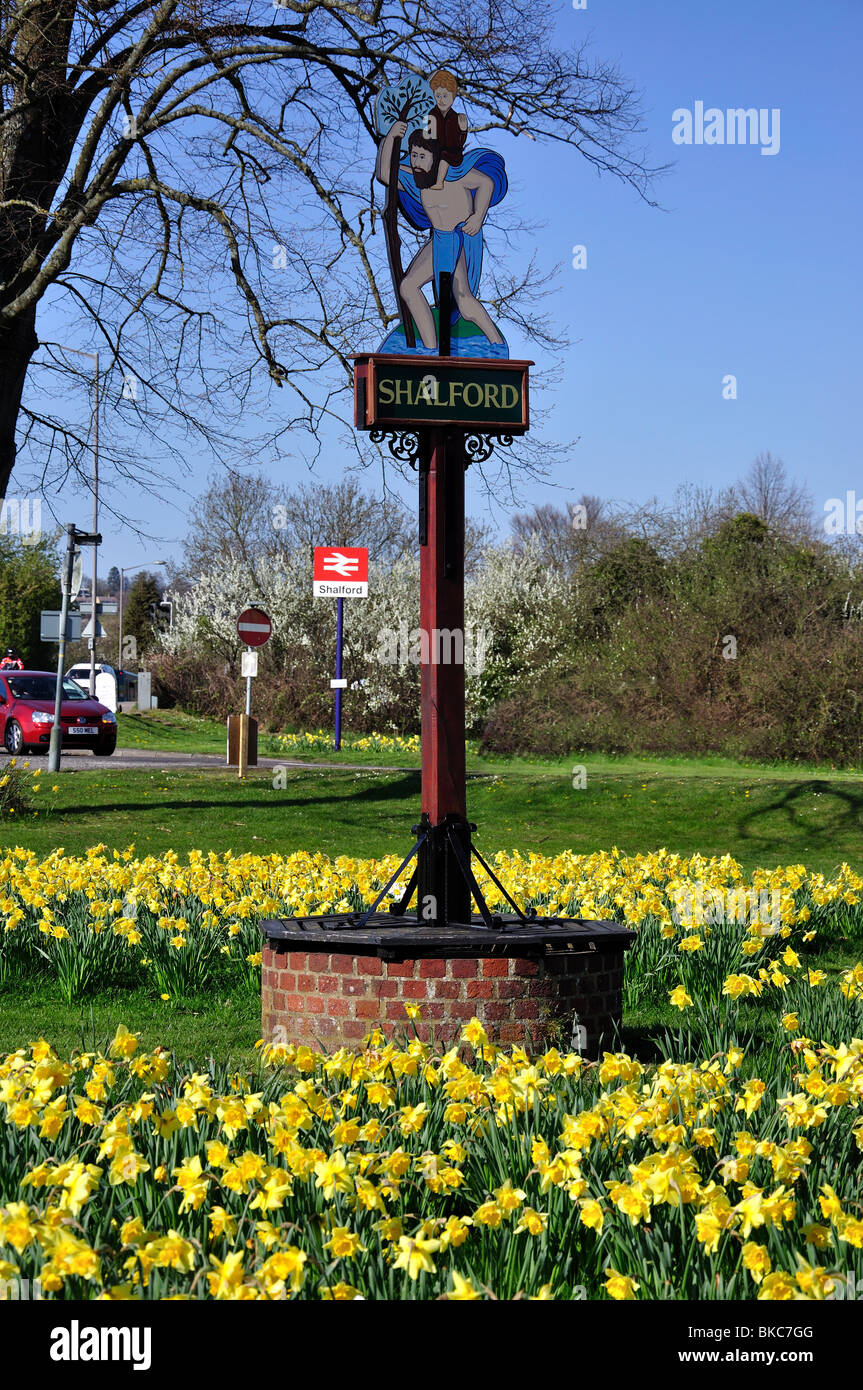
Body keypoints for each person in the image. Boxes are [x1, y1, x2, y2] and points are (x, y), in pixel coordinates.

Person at [375, 123, 507, 352]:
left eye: (421, 156)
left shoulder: (455, 175)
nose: (415, 162)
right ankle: (432, 348)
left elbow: (487, 182)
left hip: (459, 239)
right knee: (425, 291)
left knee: (453, 299)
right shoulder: (419, 183)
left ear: (435, 157)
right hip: (441, 240)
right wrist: (390, 137)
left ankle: (494, 345)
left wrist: (477, 217)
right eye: (413, 155)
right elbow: (385, 173)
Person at [425, 68, 467, 190]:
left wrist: (463, 130)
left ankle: (439, 182)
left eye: (445, 95)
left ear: (453, 97)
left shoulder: (456, 117)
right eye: (438, 95)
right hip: (434, 148)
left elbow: (460, 142)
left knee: (444, 156)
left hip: (451, 152)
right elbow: (428, 133)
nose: (441, 100)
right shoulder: (431, 113)